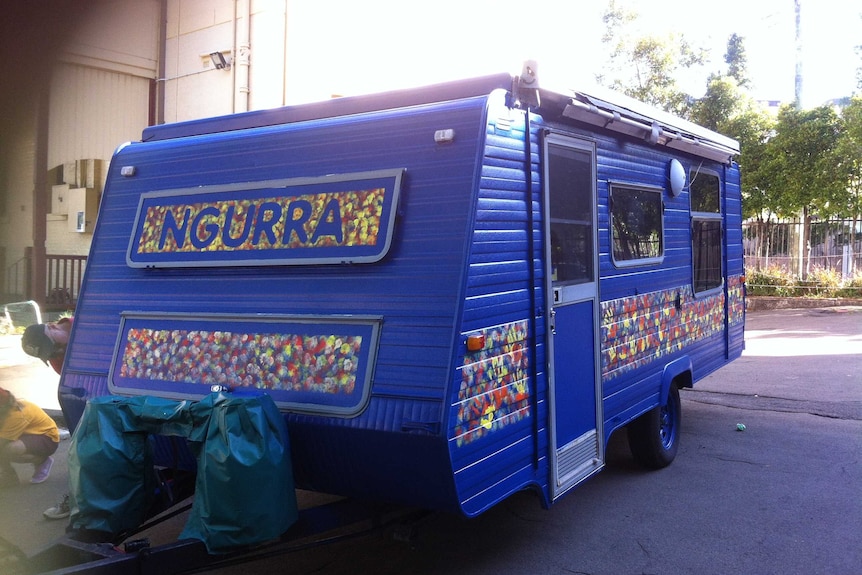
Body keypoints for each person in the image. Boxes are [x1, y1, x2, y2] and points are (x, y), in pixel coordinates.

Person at [21, 316, 74, 519]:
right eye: (50, 353)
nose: (57, 353)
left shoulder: (88, 318)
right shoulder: (56, 359)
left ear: (52, 326)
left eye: (55, 345)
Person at [0, 386, 60, 486]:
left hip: (46, 438)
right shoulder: (5, 408)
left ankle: (42, 461)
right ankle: (9, 476)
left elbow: (2, 441)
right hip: (24, 434)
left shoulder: (16, 414)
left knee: (7, 450)